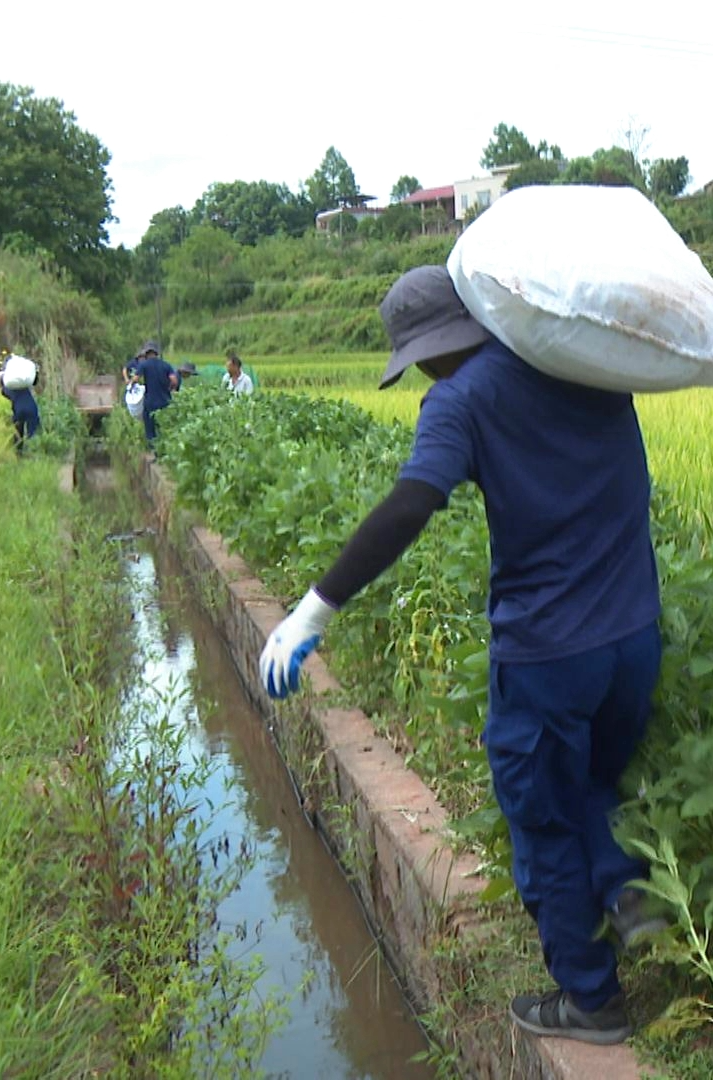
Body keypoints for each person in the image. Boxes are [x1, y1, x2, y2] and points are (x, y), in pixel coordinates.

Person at [257, 265, 665, 1046]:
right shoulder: (579, 361)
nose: (428, 374)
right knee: (594, 779)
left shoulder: (462, 399)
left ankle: (591, 1000)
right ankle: (626, 888)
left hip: (548, 654)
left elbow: (415, 499)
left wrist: (315, 607)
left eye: (424, 360)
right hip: (634, 636)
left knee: (540, 815)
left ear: (441, 346)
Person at [132, 341, 178, 444]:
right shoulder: (166, 365)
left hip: (150, 403)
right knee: (163, 427)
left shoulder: (144, 365)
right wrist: (170, 388)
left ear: (146, 353)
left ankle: (154, 452)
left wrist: (134, 387)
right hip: (165, 401)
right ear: (157, 353)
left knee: (150, 429)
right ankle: (164, 451)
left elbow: (135, 379)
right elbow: (174, 380)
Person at [0, 350, 41, 454]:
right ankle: (35, 453)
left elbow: (3, 390)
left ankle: (19, 453)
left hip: (18, 410)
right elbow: (35, 381)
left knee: (18, 433)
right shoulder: (26, 386)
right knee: (33, 434)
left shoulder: (9, 389)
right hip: (31, 408)